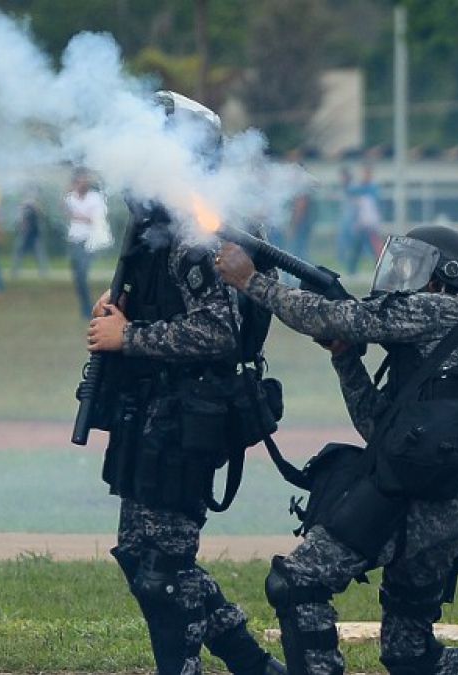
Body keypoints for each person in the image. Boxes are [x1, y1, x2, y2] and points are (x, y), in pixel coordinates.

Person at [215, 225, 458, 675]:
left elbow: (333, 318)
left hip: (423, 501)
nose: (402, 276)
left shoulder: (442, 311)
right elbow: (379, 427)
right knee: (409, 652)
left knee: (297, 583)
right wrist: (345, 358)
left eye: (415, 266)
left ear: (442, 278)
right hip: (449, 505)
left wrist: (252, 282)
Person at [85, 90, 284, 675]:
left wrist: (131, 338)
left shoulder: (198, 234)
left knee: (163, 571)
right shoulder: (159, 225)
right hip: (153, 412)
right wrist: (122, 314)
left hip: (188, 417)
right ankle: (253, 665)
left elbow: (219, 332)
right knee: (141, 556)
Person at [65, 168, 111, 318]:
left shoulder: (95, 198)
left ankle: (91, 308)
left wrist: (77, 215)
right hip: (74, 240)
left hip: (88, 241)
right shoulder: (70, 198)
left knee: (82, 274)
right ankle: (86, 306)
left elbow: (95, 219)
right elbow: (65, 213)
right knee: (77, 276)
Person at [345, 165, 382, 275]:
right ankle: (351, 270)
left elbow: (373, 210)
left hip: (370, 225)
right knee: (357, 248)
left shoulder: (373, 189)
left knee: (374, 249)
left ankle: (378, 269)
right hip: (361, 225)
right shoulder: (358, 188)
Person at [10, 197, 48, 280]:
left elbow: (42, 214)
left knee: (39, 255)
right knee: (19, 254)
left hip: (34, 236)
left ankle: (43, 272)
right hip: (25, 235)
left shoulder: (36, 211)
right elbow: (22, 223)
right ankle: (14, 271)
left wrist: (35, 207)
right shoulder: (24, 211)